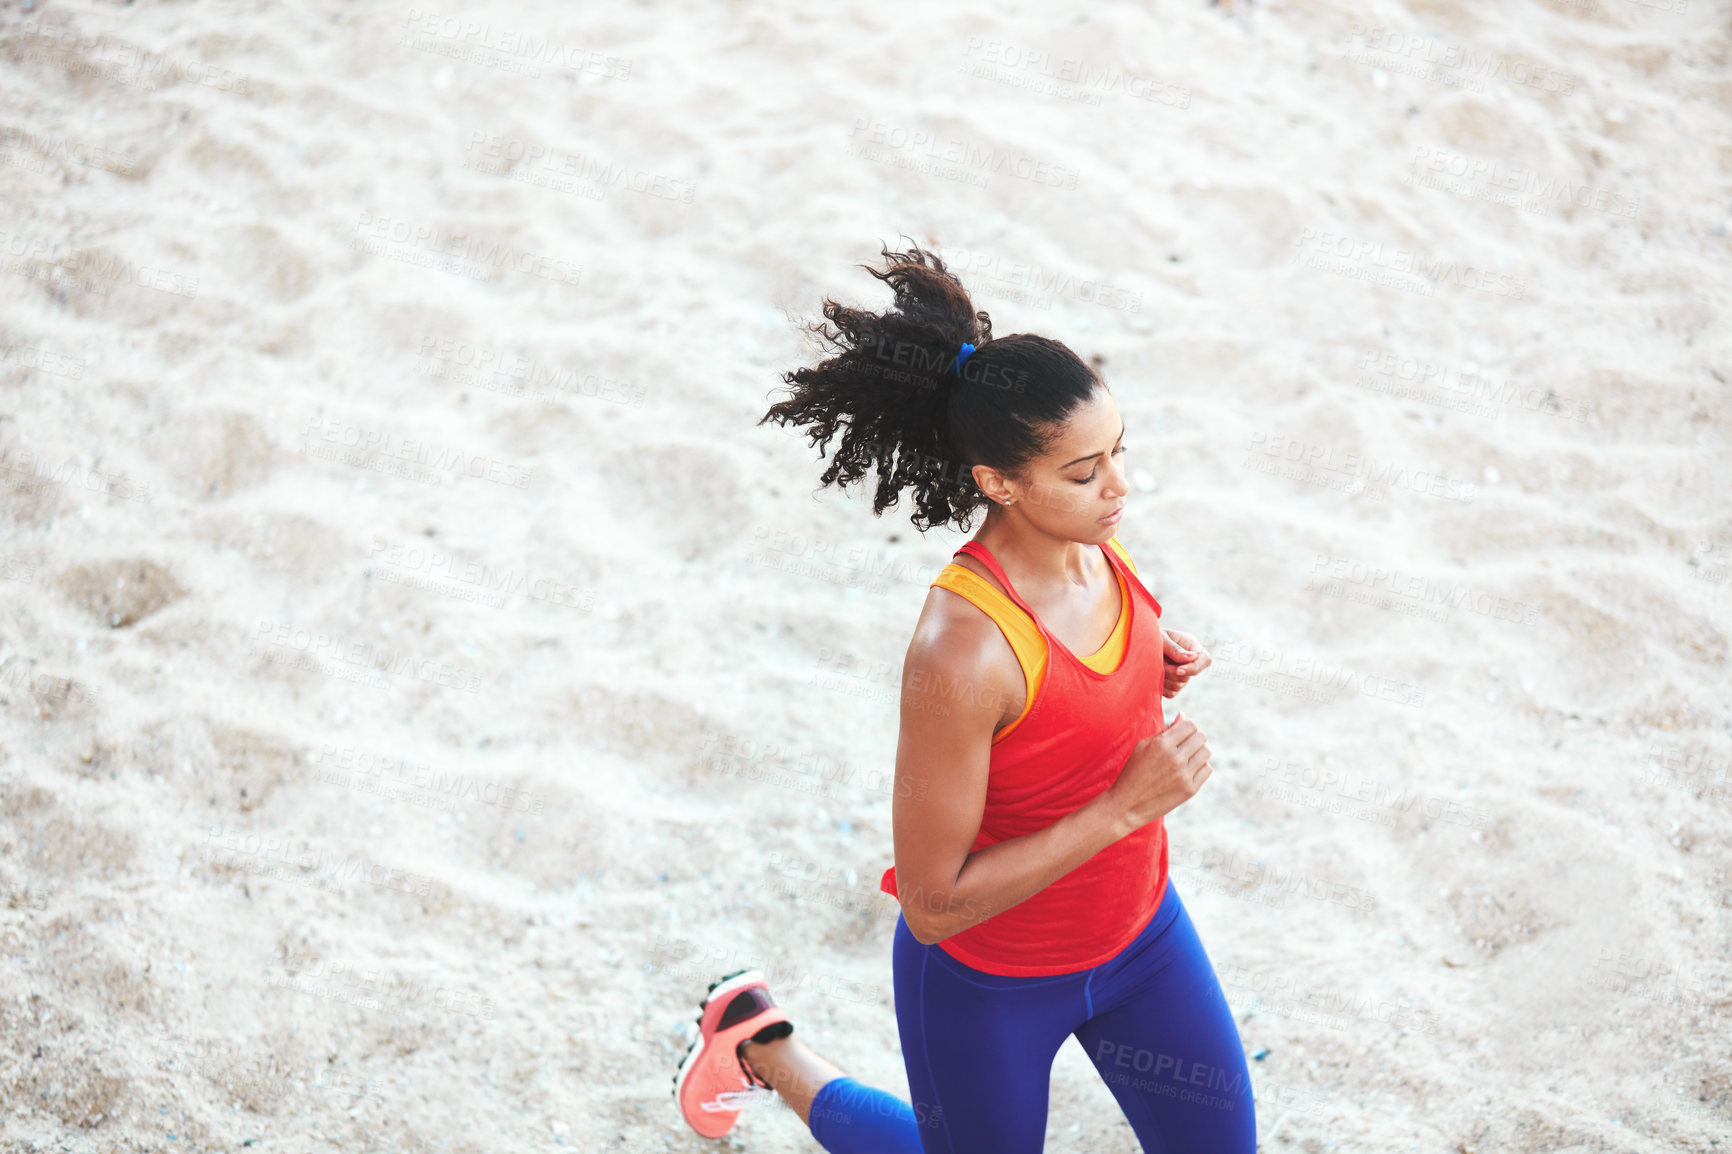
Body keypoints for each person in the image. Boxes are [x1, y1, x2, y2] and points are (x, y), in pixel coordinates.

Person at [674, 244, 1255, 1153]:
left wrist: (1147, 667)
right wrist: (1122, 808)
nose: (1120, 487)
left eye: (1118, 453)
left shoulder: (1098, 548)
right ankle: (761, 1046)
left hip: (1143, 940)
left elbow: (1066, 700)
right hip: (992, 982)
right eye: (1083, 472)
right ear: (997, 483)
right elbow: (933, 904)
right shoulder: (960, 649)